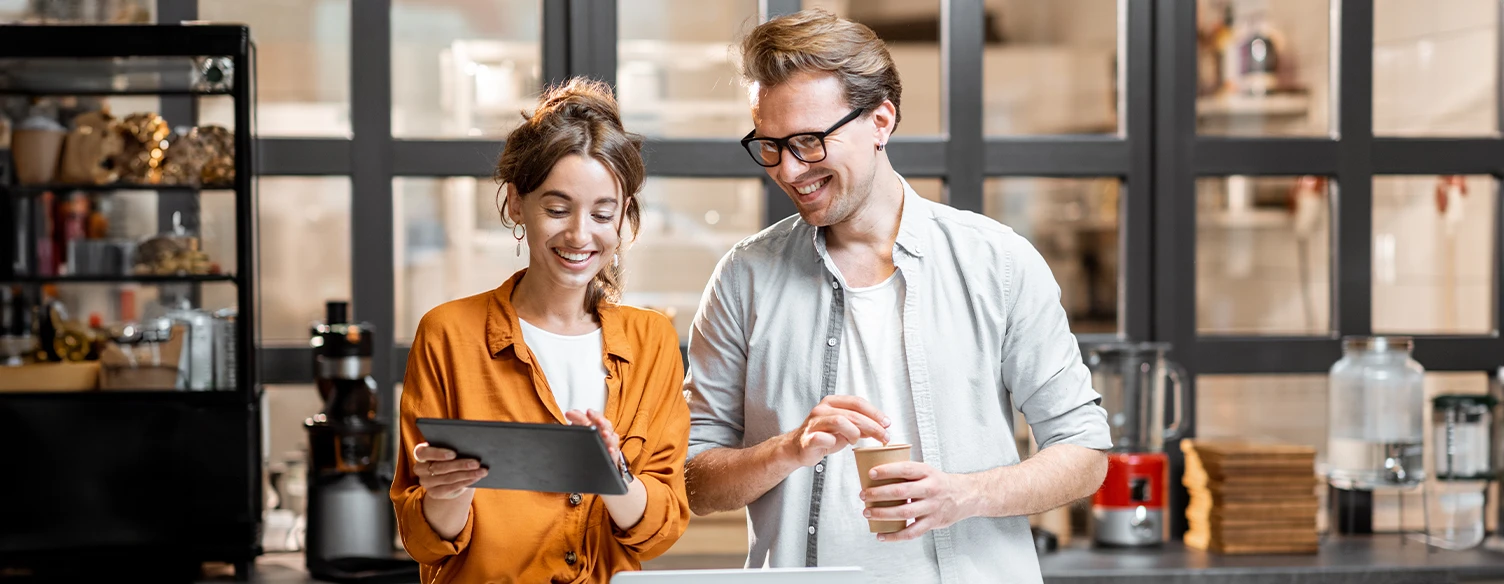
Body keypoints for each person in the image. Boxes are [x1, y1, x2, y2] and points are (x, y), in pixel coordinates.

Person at [682, 9, 1111, 583]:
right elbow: (692, 481)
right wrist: (787, 449)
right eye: (770, 145)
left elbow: (1083, 454)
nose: (788, 169)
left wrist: (963, 496)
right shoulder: (744, 278)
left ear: (881, 119)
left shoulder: (998, 262)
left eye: (809, 141)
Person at [390, 77, 690, 584]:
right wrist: (448, 491)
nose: (579, 234)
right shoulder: (447, 334)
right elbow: (421, 540)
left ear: (623, 219)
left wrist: (613, 474)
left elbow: (660, 531)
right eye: (556, 208)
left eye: (602, 213)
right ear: (515, 204)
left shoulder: (652, 339)